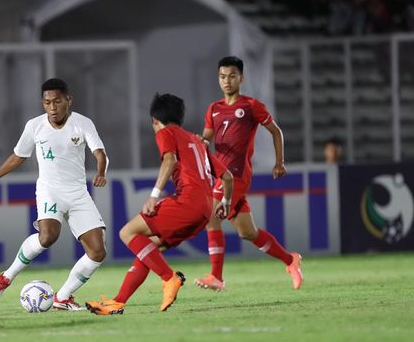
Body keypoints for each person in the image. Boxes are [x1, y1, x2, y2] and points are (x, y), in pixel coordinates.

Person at [85, 93, 233, 315]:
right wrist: (226, 202)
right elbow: (228, 176)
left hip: (187, 203)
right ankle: (118, 302)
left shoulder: (166, 132)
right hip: (204, 211)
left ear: (155, 120)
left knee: (127, 232)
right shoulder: (196, 140)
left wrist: (154, 195)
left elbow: (170, 160)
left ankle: (169, 278)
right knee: (148, 250)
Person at [0, 78, 108, 311]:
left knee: (97, 251)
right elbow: (18, 156)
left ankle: (62, 298)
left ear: (68, 100)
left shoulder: (82, 123)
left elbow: (100, 153)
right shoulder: (35, 126)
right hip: (49, 191)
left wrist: (101, 172)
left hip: (78, 193)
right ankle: (6, 278)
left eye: (57, 101)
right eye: (47, 102)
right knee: (47, 237)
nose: (52, 107)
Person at [194, 56, 303, 292]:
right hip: (221, 175)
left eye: (232, 76)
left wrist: (279, 163)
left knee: (211, 218)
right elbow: (207, 137)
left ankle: (216, 277)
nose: (227, 81)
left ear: (241, 78)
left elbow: (276, 132)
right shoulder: (214, 108)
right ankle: (290, 260)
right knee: (247, 232)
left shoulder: (251, 106)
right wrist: (200, 142)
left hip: (237, 175)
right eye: (223, 76)